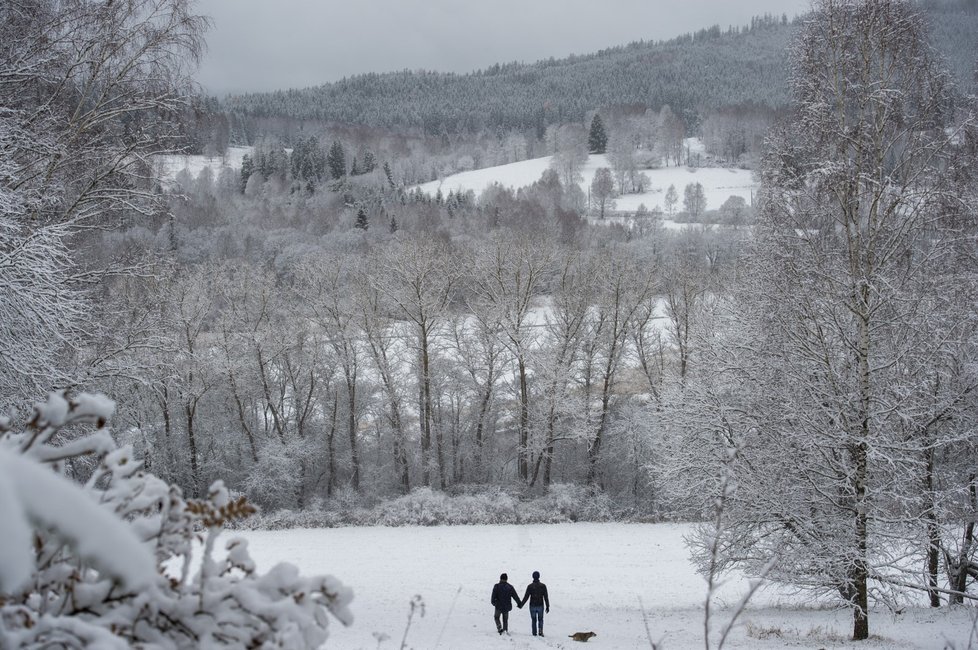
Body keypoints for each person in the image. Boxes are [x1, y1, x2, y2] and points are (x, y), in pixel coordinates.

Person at [521, 571, 550, 637]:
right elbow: (546, 597)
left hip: (532, 605)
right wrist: (547, 606)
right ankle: (540, 631)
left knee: (533, 620)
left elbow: (526, 597)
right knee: (540, 619)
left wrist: (521, 604)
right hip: (540, 605)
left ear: (533, 577)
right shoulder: (543, 586)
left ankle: (534, 632)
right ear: (539, 576)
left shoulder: (530, 586)